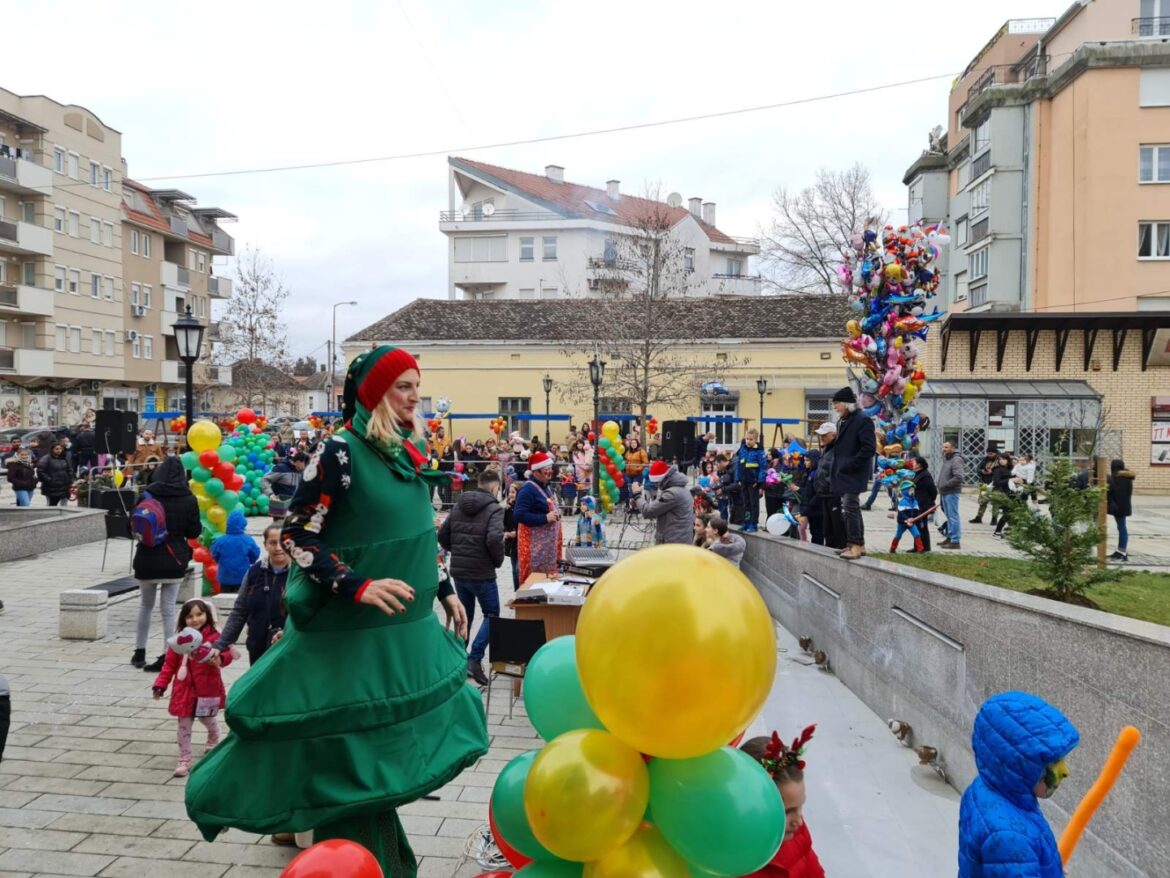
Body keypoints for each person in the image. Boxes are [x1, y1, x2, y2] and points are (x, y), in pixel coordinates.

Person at [185, 345, 487, 875]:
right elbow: (298, 535)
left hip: (397, 636)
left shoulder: (405, 454)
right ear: (374, 393)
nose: (415, 396)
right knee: (352, 759)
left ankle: (386, 860)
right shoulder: (340, 453)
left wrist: (444, 589)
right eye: (403, 386)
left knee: (378, 760)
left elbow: (411, 535)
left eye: (417, 384)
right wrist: (356, 584)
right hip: (351, 639)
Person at [958, 692, 1079, 878]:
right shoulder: (1010, 838)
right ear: (1018, 764)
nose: (1066, 772)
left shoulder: (984, 789)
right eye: (1053, 762)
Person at [132, 457, 201, 672]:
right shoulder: (189, 498)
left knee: (145, 605)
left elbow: (132, 526)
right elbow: (193, 532)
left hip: (147, 558)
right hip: (175, 559)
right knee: (169, 609)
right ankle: (166, 655)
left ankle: (139, 651)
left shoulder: (147, 494)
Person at [438, 469, 505, 687]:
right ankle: (474, 658)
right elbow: (495, 538)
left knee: (464, 614)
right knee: (492, 614)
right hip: (482, 571)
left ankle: (459, 658)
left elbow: (442, 534)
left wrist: (455, 550)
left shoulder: (458, 504)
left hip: (459, 570)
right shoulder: (494, 509)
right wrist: (497, 560)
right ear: (495, 487)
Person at [152, 598, 233, 777]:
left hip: (207, 687)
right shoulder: (179, 641)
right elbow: (169, 665)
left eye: (199, 614)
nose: (195, 619)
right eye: (190, 616)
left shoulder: (215, 636)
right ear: (183, 620)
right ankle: (184, 758)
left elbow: (227, 654)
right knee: (184, 724)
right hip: (184, 689)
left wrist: (219, 659)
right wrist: (160, 685)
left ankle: (214, 734)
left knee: (207, 718)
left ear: (207, 615)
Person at [741, 728, 825, 878]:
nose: (799, 821)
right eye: (787, 812)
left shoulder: (796, 833)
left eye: (800, 807)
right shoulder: (734, 863)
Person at [212, 524, 289, 666]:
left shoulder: (299, 574)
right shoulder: (254, 572)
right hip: (257, 648)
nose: (278, 547)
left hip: (288, 648)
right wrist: (220, 645)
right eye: (272, 543)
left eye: (283, 542)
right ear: (265, 545)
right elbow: (240, 611)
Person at [828, 388, 875, 560]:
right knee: (851, 507)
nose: (835, 407)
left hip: (854, 472)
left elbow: (869, 448)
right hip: (845, 473)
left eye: (837, 404)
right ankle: (858, 544)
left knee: (850, 507)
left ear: (847, 404)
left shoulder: (862, 420)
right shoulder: (845, 420)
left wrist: (850, 465)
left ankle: (855, 545)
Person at [514, 451, 563, 584]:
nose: (550, 474)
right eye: (546, 472)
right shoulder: (528, 490)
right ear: (536, 472)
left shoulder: (545, 486)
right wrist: (545, 518)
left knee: (548, 580)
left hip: (547, 548)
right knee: (533, 580)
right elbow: (519, 515)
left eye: (550, 471)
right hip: (534, 548)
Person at [631, 460, 693, 545]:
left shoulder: (671, 493)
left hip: (673, 543)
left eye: (656, 483)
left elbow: (648, 511)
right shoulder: (679, 488)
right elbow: (657, 508)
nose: (656, 486)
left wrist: (637, 495)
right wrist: (639, 503)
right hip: (679, 539)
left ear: (661, 479)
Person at [211, 509, 261, 594]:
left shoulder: (220, 540)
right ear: (243, 524)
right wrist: (251, 561)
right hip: (242, 576)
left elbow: (215, 555)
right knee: (241, 600)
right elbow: (255, 554)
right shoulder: (247, 540)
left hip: (224, 576)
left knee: (224, 599)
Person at [813, 423, 846, 551]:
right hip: (824, 493)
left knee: (837, 525)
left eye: (824, 435)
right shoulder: (826, 448)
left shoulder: (838, 449)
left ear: (833, 435)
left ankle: (841, 547)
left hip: (834, 493)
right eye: (820, 435)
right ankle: (830, 549)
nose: (821, 438)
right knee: (827, 527)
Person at [734, 429, 767, 533]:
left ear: (756, 440)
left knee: (754, 504)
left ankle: (754, 523)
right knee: (746, 503)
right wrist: (738, 478)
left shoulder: (759, 451)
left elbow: (762, 467)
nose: (748, 441)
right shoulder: (742, 449)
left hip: (753, 482)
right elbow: (739, 465)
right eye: (747, 439)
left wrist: (760, 481)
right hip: (743, 480)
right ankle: (746, 522)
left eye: (751, 439)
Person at [261, 450, 307, 519]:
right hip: (280, 507)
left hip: (295, 508)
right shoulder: (281, 468)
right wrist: (271, 494)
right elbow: (265, 480)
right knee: (278, 528)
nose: (307, 466)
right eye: (305, 463)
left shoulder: (303, 472)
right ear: (297, 462)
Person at [936, 441, 965, 551]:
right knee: (949, 517)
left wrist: (945, 485)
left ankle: (955, 541)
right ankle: (949, 537)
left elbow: (959, 476)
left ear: (953, 448)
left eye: (946, 447)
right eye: (943, 447)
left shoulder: (956, 459)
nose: (944, 449)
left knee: (953, 516)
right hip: (945, 492)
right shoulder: (948, 458)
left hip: (951, 492)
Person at [1107, 459, 1135, 562]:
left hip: (1119, 507)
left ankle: (1122, 552)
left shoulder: (1117, 479)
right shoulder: (1127, 478)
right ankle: (1120, 550)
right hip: (1123, 507)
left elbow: (1114, 493)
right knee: (1121, 527)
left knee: (1122, 528)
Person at [908, 456, 937, 553]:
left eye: (914, 462)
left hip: (923, 504)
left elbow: (933, 491)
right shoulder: (917, 474)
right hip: (917, 503)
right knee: (917, 525)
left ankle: (924, 547)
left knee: (922, 526)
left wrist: (929, 501)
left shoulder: (925, 476)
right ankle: (917, 546)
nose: (912, 463)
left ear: (919, 465)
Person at [799, 450, 824, 545]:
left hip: (816, 510)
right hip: (810, 509)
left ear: (814, 460)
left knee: (818, 533)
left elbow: (817, 493)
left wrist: (809, 507)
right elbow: (807, 490)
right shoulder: (809, 472)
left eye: (807, 460)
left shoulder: (817, 473)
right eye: (804, 460)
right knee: (813, 531)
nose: (805, 462)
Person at [969, 448, 999, 525]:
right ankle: (979, 517)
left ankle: (994, 519)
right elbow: (978, 468)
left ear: (995, 453)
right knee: (982, 501)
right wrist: (982, 471)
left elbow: (1002, 471)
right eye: (988, 453)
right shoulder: (985, 459)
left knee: (995, 502)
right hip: (985, 483)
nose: (989, 455)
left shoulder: (999, 460)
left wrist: (993, 472)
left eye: (991, 454)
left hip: (995, 484)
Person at [36, 442, 71, 507]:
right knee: (51, 506)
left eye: (60, 449)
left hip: (64, 487)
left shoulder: (64, 458)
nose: (59, 450)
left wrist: (70, 480)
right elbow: (40, 471)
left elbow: (69, 469)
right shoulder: (46, 458)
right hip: (51, 488)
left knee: (65, 505)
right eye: (57, 449)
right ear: (52, 449)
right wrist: (49, 480)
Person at [991, 454, 1016, 539]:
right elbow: (996, 482)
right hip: (1000, 494)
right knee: (1008, 513)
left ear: (1008, 460)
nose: (1001, 461)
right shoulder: (997, 470)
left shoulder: (1011, 469)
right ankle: (998, 532)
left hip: (1010, 493)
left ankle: (1008, 531)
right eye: (1000, 459)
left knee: (1009, 513)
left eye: (1004, 459)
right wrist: (1010, 480)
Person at [502, 480, 520, 591]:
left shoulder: (521, 507)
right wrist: (505, 532)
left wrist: (517, 533)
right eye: (509, 492)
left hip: (521, 542)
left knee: (519, 569)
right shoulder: (507, 508)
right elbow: (502, 524)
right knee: (514, 570)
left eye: (513, 492)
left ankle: (522, 594)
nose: (510, 494)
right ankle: (517, 593)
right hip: (512, 544)